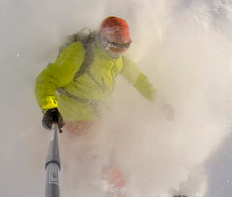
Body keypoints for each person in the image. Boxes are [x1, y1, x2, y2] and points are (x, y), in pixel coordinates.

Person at [35, 16, 173, 136]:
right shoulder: (79, 53)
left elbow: (140, 81)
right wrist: (50, 109)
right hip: (72, 118)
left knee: (110, 160)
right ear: (103, 41)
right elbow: (46, 80)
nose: (118, 53)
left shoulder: (119, 60)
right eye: (114, 48)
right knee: (89, 162)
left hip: (98, 118)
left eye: (124, 47)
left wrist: (161, 103)